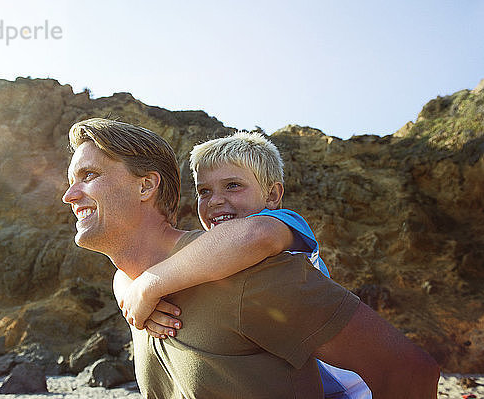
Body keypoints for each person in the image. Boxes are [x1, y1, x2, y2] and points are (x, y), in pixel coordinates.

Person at [62, 118, 440, 398]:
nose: (69, 195)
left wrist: (148, 284)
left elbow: (411, 371)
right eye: (204, 192)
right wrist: (135, 285)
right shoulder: (129, 283)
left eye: (89, 175)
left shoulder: (251, 262)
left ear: (146, 185)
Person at [117, 131, 370, 397]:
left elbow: (254, 236)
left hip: (350, 390)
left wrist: (148, 286)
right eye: (204, 191)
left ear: (272, 195)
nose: (215, 200)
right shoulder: (212, 252)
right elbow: (140, 262)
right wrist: (129, 294)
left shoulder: (282, 225)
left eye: (233, 185)